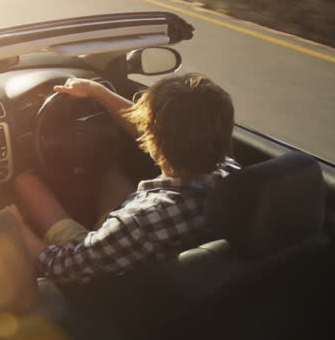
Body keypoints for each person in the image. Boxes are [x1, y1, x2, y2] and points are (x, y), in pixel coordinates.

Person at [13, 73, 238, 284]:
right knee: (106, 168)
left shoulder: (140, 222)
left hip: (106, 286)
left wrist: (15, 225)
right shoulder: (233, 173)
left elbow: (61, 266)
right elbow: (153, 129)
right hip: (163, 267)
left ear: (153, 141)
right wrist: (98, 91)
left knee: (26, 182)